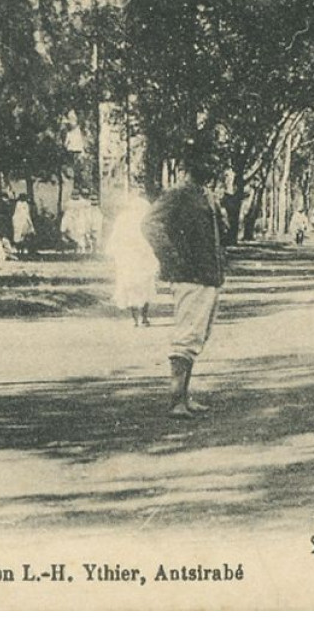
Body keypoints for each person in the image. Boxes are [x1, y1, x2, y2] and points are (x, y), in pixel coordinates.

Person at [142, 139, 226, 420]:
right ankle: (176, 400)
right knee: (185, 338)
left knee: (198, 336)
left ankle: (185, 396)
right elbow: (150, 224)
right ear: (193, 165)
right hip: (190, 276)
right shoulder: (178, 193)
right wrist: (172, 259)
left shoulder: (204, 195)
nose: (213, 167)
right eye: (208, 161)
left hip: (208, 276)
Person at [108, 190, 159, 327]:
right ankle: (143, 317)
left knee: (131, 286)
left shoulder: (123, 219)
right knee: (145, 286)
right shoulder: (147, 220)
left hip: (129, 259)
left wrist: (116, 255)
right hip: (142, 258)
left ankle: (136, 318)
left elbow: (115, 239)